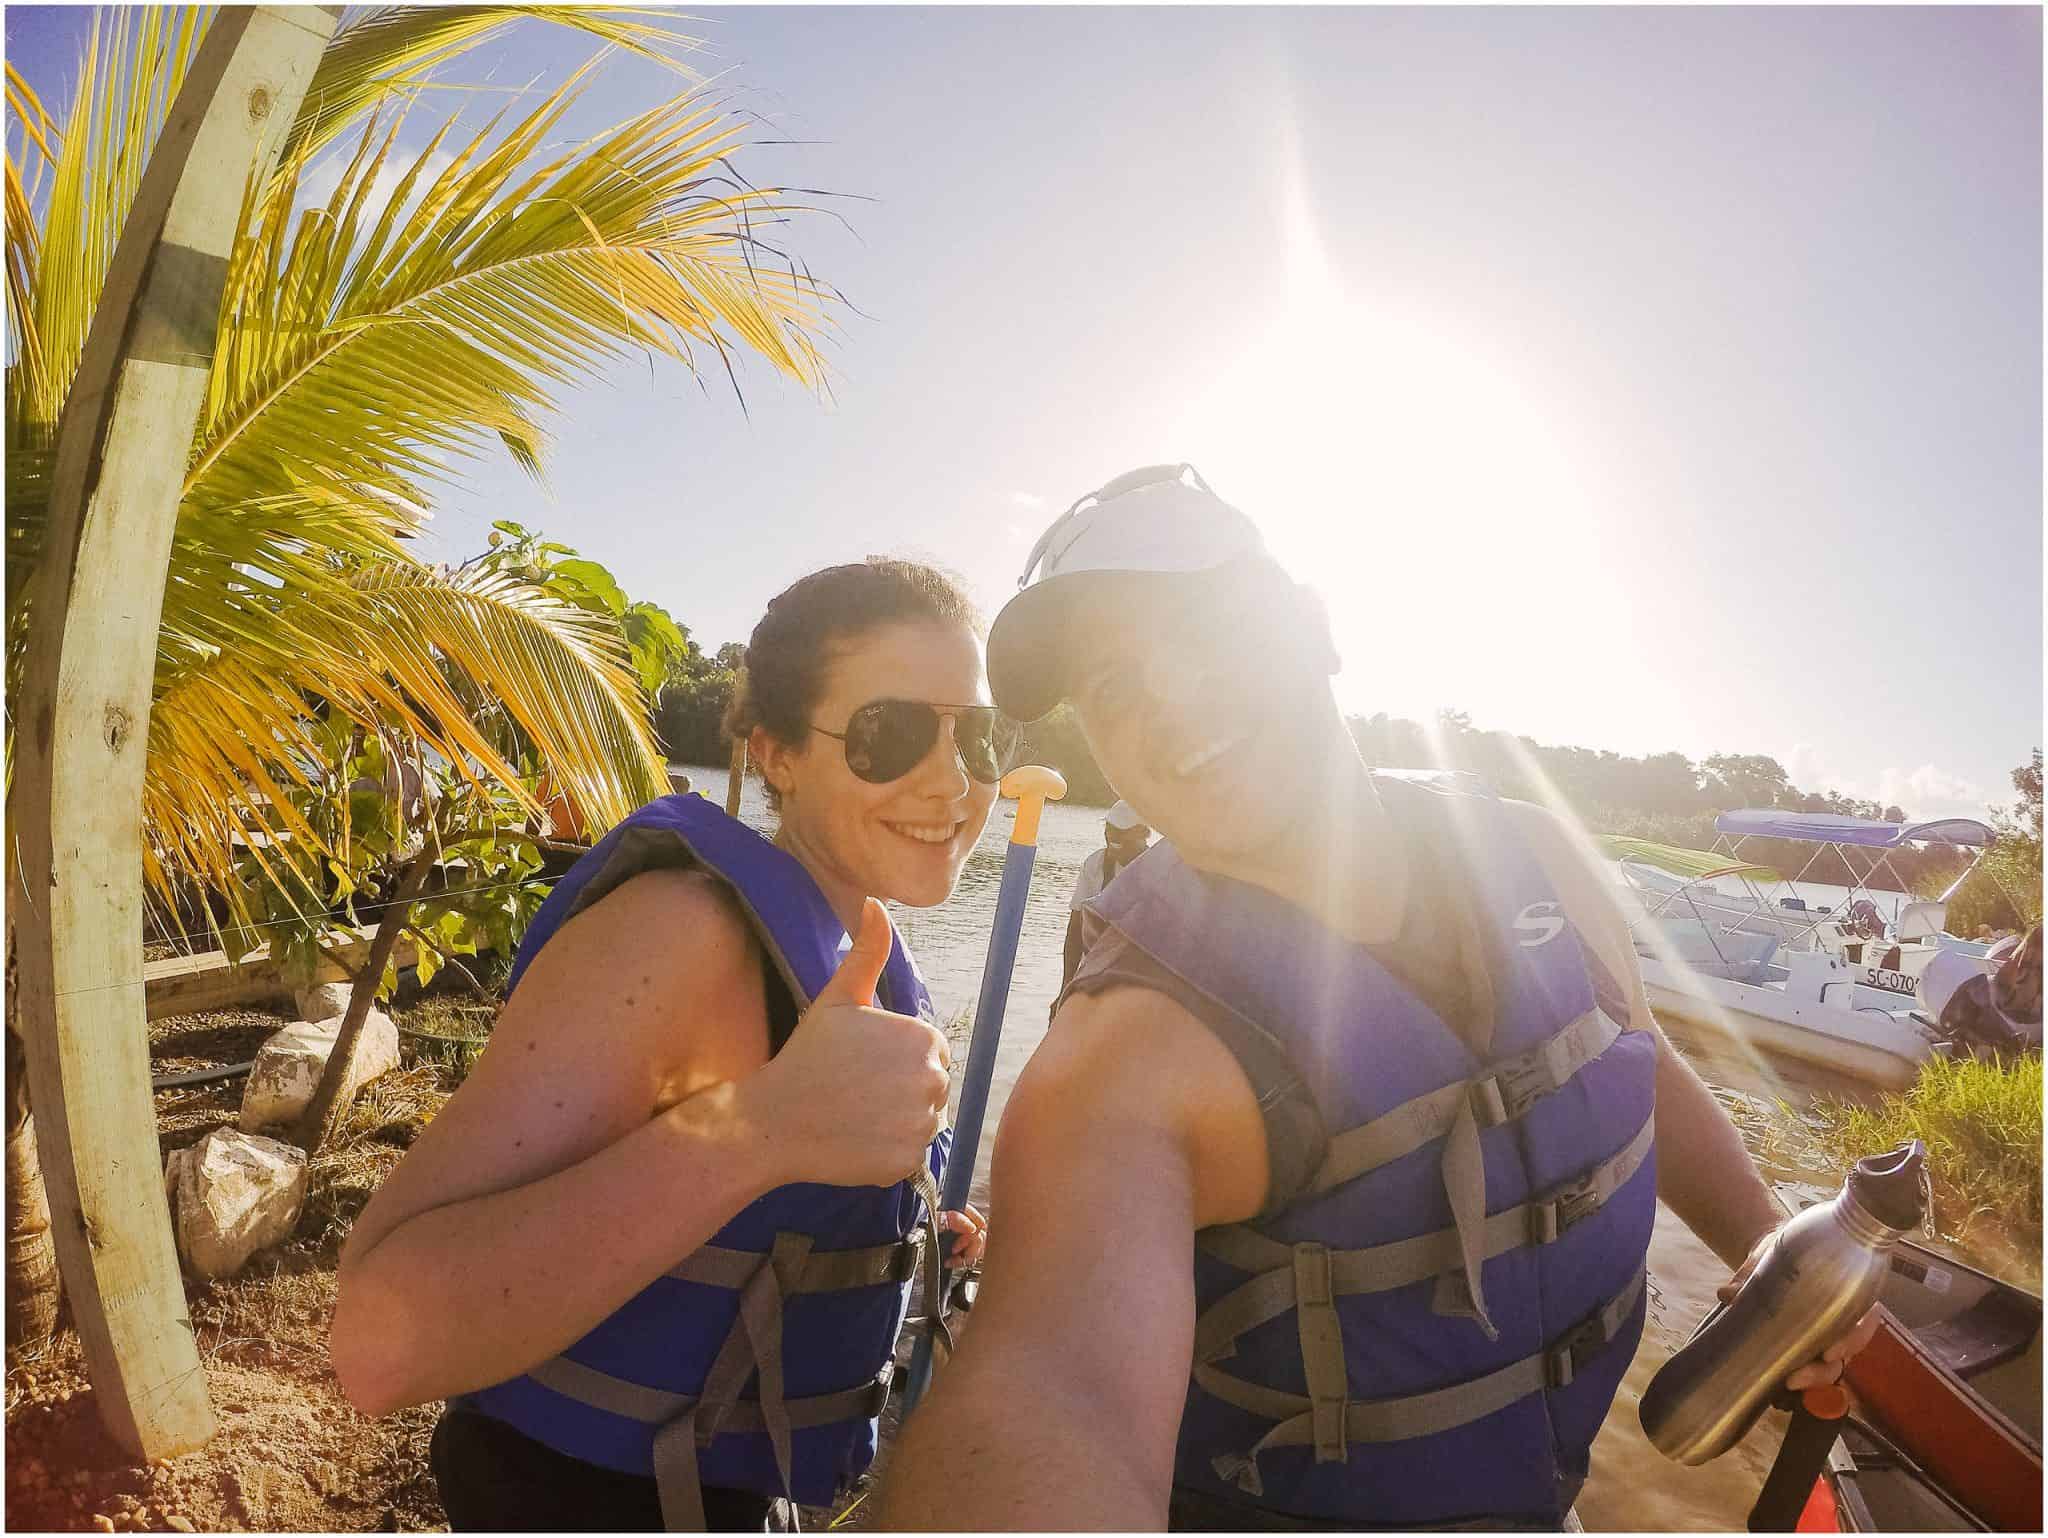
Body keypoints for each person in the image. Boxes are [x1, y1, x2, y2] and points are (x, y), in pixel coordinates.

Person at [880, 466, 1878, 1531]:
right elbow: (1046, 1397)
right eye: (1113, 689)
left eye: (1205, 628)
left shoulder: (1533, 851)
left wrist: (1760, 1236)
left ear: (1313, 624)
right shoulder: (1122, 1058)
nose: (1165, 700)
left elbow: (1623, 1056)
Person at [331, 559, 1011, 1531]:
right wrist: (761, 1127)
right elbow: (375, 1343)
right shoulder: (679, 933)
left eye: (976, 734)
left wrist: (910, 1242)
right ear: (776, 752)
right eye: (889, 732)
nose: (951, 779)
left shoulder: (854, 948)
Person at [1062, 801, 1152, 993]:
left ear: (1144, 833)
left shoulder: (1157, 872)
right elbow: (1076, 928)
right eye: (1109, 828)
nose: (1112, 834)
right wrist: (1066, 985)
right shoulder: (1094, 864)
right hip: (1093, 970)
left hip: (1139, 978)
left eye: (1121, 829)